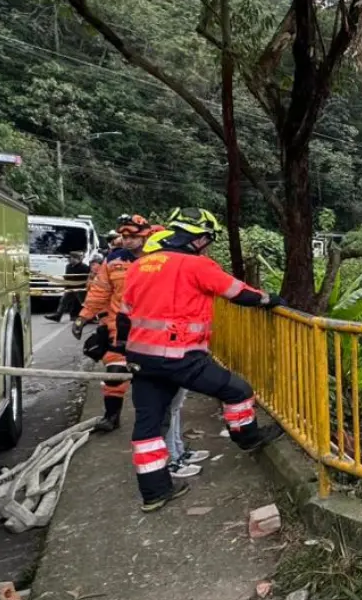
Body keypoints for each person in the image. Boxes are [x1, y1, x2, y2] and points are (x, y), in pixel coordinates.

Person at [118, 207, 285, 512]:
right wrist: (268, 299)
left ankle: (154, 492)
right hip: (181, 357)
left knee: (147, 426)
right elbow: (237, 292)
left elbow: (123, 315)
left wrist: (121, 350)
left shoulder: (141, 265)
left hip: (142, 358)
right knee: (238, 392)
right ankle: (248, 439)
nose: (207, 245)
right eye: (207, 239)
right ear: (199, 238)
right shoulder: (196, 265)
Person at [72, 215, 157, 433]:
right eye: (124, 236)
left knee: (152, 379)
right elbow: (100, 291)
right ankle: (111, 416)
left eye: (133, 236)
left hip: (154, 329)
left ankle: (153, 422)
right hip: (118, 328)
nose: (128, 240)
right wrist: (83, 317)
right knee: (114, 372)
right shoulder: (114, 260)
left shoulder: (159, 259)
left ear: (146, 234)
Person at [45, 252, 91, 323]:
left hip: (80, 288)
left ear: (76, 259)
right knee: (63, 301)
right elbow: (67, 276)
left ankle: (90, 317)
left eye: (72, 258)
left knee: (84, 303)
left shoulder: (84, 267)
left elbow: (88, 277)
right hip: (70, 287)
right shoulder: (68, 266)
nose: (70, 259)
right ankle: (58, 316)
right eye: (70, 258)